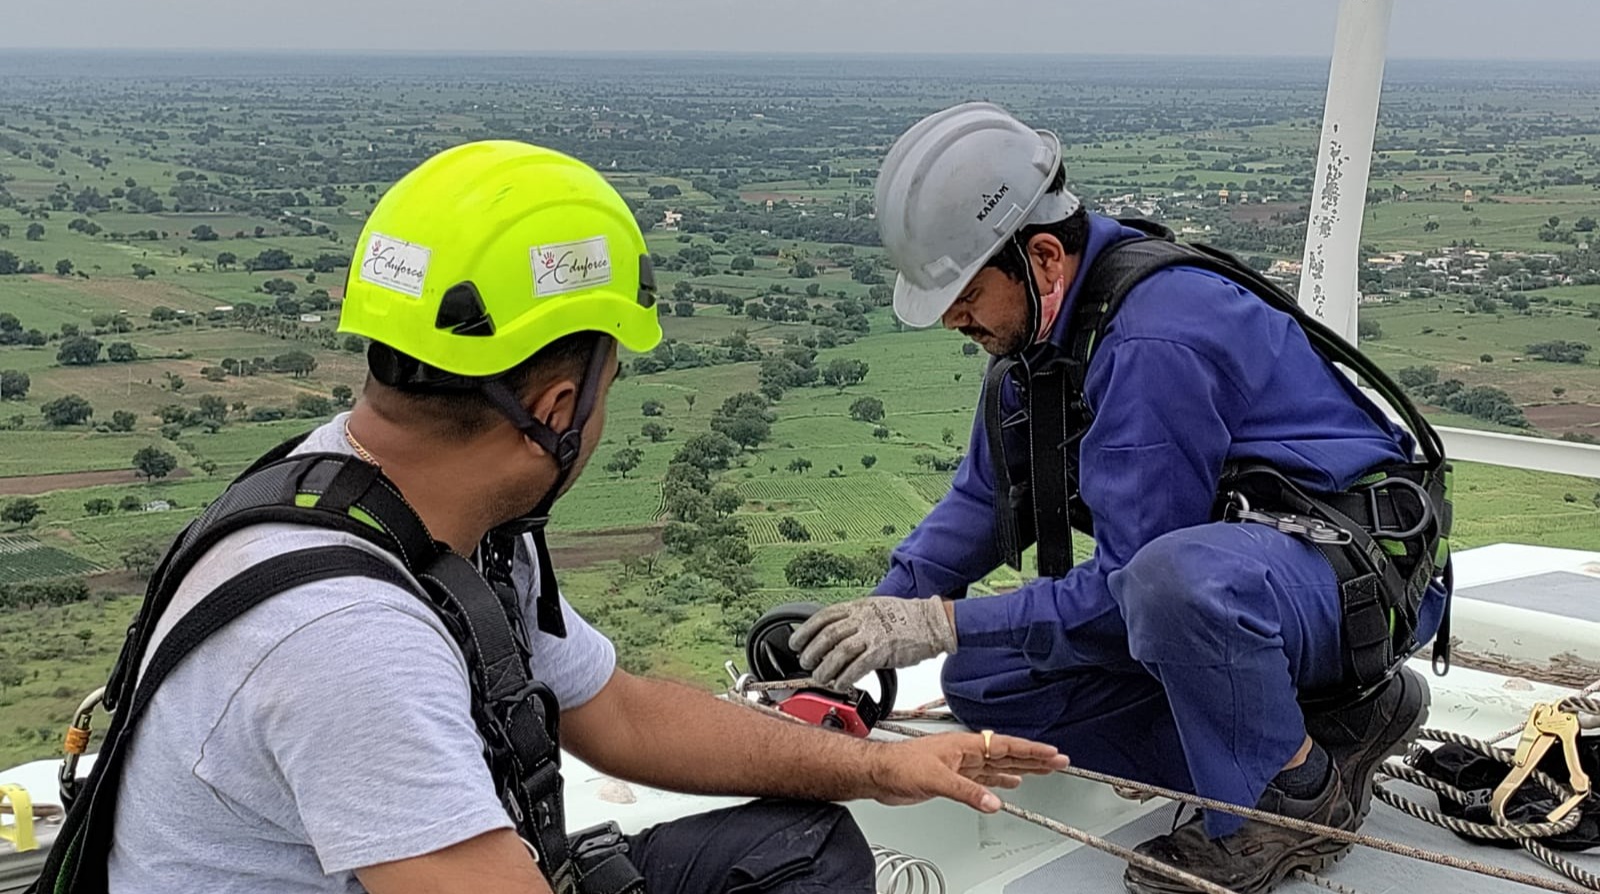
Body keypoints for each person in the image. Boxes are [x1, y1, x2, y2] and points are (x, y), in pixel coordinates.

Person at [87, 140, 1067, 894]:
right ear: (555, 407)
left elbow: (620, 711)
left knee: (791, 848)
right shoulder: (350, 641)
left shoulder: (421, 517)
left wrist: (876, 770)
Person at [791, 103, 1450, 894]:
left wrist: (935, 622)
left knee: (1172, 582)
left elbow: (1130, 586)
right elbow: (979, 506)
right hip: (1248, 587)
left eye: (963, 294)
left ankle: (1286, 801)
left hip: (1340, 587)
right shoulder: (1043, 347)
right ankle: (1327, 735)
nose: (953, 320)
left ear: (1040, 258)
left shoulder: (1152, 339)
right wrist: (870, 628)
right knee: (981, 680)